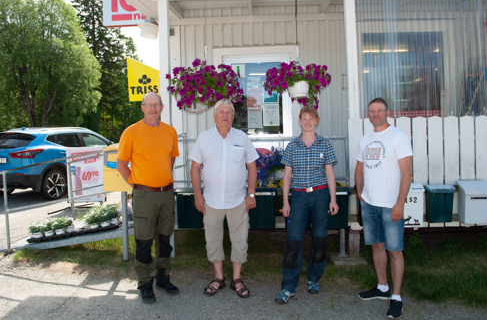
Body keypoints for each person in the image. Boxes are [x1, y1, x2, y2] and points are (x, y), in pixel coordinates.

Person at [189, 99, 259, 299]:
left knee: (239, 240)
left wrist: (251, 194)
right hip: (211, 200)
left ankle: (236, 279)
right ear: (214, 115)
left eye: (229, 111)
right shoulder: (204, 138)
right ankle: (218, 277)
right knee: (212, 240)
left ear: (233, 116)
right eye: (221, 111)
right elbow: (195, 168)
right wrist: (198, 196)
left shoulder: (242, 137)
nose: (225, 115)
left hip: (238, 200)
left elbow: (252, 166)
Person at [117, 92, 180, 304]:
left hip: (166, 193)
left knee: (165, 240)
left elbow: (170, 160)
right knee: (144, 242)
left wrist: (163, 182)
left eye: (157, 105)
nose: (153, 109)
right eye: (149, 105)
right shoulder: (131, 132)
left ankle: (163, 278)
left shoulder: (170, 131)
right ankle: (145, 283)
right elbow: (121, 165)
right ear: (142, 108)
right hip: (144, 195)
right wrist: (137, 187)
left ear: (162, 107)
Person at [274, 106, 339, 305]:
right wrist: (286, 201)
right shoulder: (292, 146)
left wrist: (333, 198)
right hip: (299, 197)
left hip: (320, 196)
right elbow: (286, 176)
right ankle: (289, 286)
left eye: (311, 118)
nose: (308, 121)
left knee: (320, 240)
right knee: (294, 242)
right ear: (300, 121)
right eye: (304, 118)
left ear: (317, 120)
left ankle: (313, 279)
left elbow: (329, 173)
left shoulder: (325, 144)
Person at [355, 98, 413, 319]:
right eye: (372, 111)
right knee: (376, 247)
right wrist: (360, 193)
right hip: (369, 204)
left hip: (391, 205)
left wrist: (400, 203)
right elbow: (359, 167)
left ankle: (396, 297)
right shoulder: (366, 139)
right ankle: (382, 288)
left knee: (395, 251)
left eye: (379, 110)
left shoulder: (398, 137)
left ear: (387, 112)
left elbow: (406, 173)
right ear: (368, 114)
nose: (376, 114)